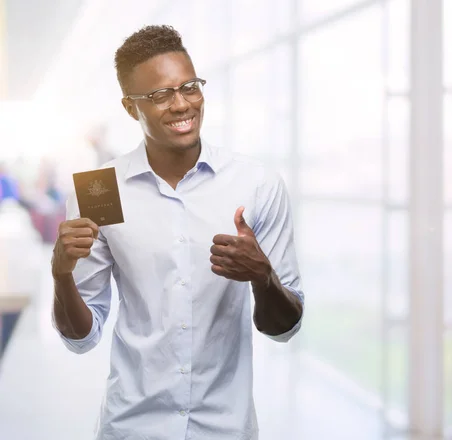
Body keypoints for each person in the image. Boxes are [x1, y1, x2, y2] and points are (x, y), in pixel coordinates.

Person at [50, 25, 304, 440]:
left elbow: (285, 327)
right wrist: (61, 275)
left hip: (225, 427)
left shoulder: (255, 184)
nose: (182, 104)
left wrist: (264, 277)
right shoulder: (101, 188)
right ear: (131, 108)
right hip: (132, 426)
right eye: (160, 95)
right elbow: (83, 336)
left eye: (189, 86)